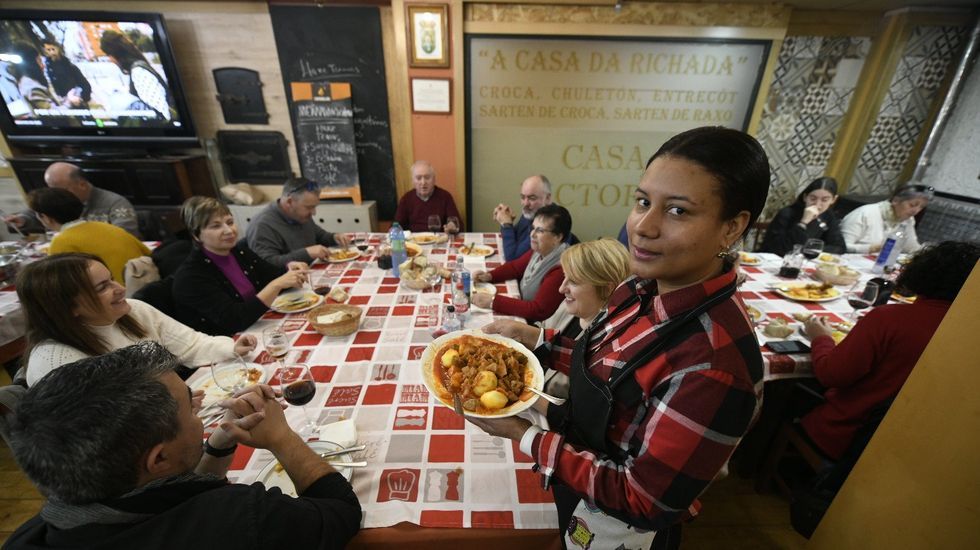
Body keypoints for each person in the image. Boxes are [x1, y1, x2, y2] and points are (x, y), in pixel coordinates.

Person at [467, 126, 769, 549]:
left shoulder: (714, 363)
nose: (643, 226)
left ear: (732, 228)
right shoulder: (639, 287)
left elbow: (643, 498)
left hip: (624, 526)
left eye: (678, 211)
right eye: (643, 201)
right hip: (582, 475)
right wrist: (537, 339)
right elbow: (610, 368)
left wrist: (523, 435)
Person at [3, 342, 361, 549]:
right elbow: (341, 513)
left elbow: (181, 496)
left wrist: (218, 445)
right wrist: (282, 438)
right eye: (191, 404)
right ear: (158, 459)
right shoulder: (239, 519)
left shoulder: (34, 532)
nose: (199, 408)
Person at [801, 241, 979, 460]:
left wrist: (820, 338)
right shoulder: (970, 334)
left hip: (848, 436)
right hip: (923, 451)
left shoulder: (890, 319)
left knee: (790, 393)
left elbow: (831, 375)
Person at [17, 253, 256, 387]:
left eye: (112, 279)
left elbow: (192, 344)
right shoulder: (56, 363)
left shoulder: (132, 311)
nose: (120, 288)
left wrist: (231, 347)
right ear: (68, 308)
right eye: (103, 287)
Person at [483, 238, 631, 397]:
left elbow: (568, 407)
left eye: (573, 282)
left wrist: (512, 390)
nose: (561, 289)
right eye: (564, 277)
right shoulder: (570, 307)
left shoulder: (608, 347)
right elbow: (542, 328)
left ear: (607, 289)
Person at [173, 197, 308, 336]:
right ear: (196, 236)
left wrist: (289, 268)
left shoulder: (238, 251)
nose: (229, 230)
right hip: (227, 345)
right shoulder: (190, 277)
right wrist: (276, 285)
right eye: (216, 226)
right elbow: (235, 320)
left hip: (257, 327)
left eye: (230, 222)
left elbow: (273, 275)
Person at [470, 204, 572, 323]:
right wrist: (489, 275)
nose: (532, 234)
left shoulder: (561, 269)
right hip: (523, 308)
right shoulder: (541, 249)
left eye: (540, 231)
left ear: (557, 237)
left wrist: (493, 302)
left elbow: (537, 309)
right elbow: (515, 268)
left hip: (537, 325)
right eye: (533, 228)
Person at [27, 188, 150, 284]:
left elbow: (61, 282)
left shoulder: (61, 241)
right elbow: (146, 252)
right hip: (143, 283)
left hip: (117, 295)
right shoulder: (105, 226)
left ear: (46, 218)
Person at [6, 162, 141, 237]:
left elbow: (125, 235)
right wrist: (23, 220)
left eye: (61, 189)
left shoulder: (114, 203)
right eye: (52, 189)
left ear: (81, 184)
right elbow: (35, 212)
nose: (55, 194)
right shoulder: (55, 200)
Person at [244, 176, 350, 269]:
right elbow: (268, 265)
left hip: (310, 270)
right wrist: (306, 253)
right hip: (285, 286)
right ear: (290, 202)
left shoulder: (300, 215)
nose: (314, 213)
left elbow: (319, 235)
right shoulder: (262, 226)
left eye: (314, 207)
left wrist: (334, 237)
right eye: (309, 207)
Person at [100, 29, 176, 122]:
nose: (109, 60)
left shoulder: (139, 71)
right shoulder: (137, 69)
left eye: (108, 55)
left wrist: (123, 104)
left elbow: (161, 115)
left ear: (117, 54)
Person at [760, 176, 847, 256]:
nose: (817, 204)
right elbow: (778, 248)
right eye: (813, 199)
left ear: (833, 200)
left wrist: (807, 249)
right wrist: (803, 222)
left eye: (824, 200)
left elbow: (840, 248)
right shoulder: (787, 213)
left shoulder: (828, 215)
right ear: (805, 197)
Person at [840, 184, 931, 254]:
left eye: (921, 207)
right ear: (895, 200)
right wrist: (870, 248)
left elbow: (912, 248)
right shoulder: (865, 213)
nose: (916, 211)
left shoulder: (908, 220)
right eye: (912, 205)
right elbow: (840, 246)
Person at [493, 174, 553, 260]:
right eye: (522, 197)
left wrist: (506, 225)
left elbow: (512, 258)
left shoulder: (548, 223)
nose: (525, 203)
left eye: (532, 198)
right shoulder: (533, 211)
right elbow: (517, 240)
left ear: (547, 198)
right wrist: (507, 220)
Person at [394, 160, 461, 232]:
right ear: (413, 181)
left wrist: (452, 225)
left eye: (427, 177)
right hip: (413, 241)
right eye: (418, 178)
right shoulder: (406, 199)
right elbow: (396, 225)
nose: (423, 182)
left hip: (439, 240)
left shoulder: (445, 196)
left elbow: (457, 223)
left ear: (434, 179)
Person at [41, 40, 91, 106]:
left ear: (57, 49)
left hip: (76, 100)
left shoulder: (69, 66)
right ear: (45, 52)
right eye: (48, 50)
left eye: (53, 49)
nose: (52, 52)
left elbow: (85, 85)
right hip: (64, 103)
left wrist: (80, 98)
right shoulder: (48, 69)